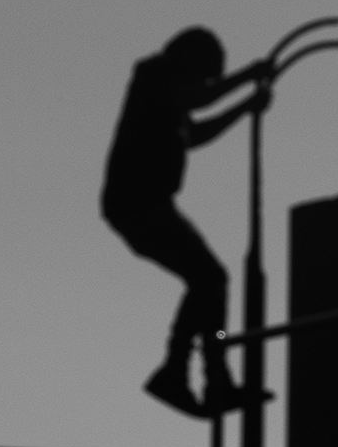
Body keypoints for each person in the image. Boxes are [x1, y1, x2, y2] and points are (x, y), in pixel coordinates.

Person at [101, 27, 272, 418]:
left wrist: (245, 107)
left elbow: (194, 133)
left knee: (208, 281)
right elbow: (197, 100)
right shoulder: (154, 73)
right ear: (190, 60)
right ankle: (186, 370)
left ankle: (203, 372)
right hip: (139, 205)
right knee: (210, 278)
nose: (205, 84)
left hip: (147, 206)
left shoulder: (167, 97)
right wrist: (248, 77)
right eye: (204, 76)